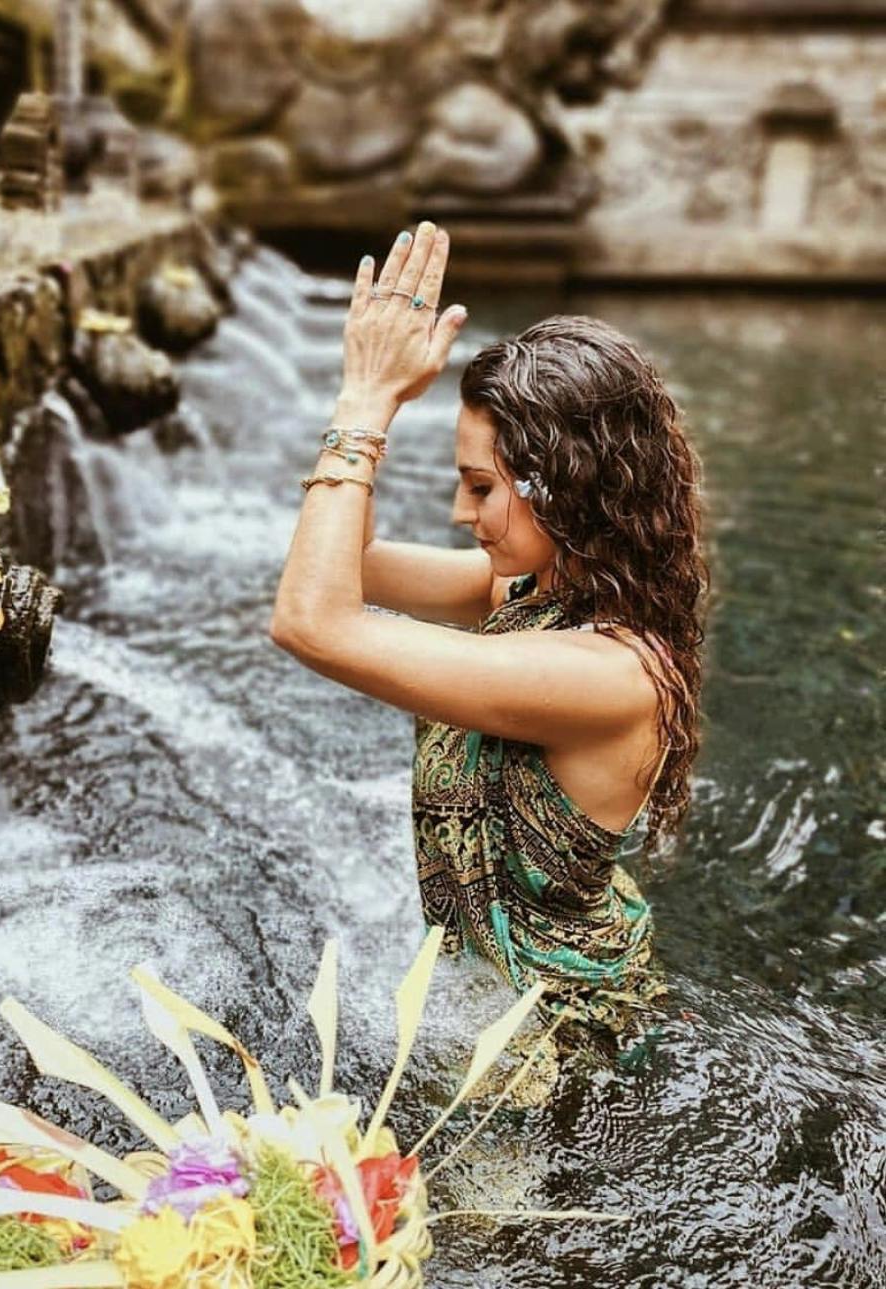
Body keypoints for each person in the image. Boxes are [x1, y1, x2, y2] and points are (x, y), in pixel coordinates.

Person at [270, 222, 706, 1038]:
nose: (458, 513)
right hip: (485, 1008)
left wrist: (360, 406)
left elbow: (311, 621)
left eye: (480, 487)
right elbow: (337, 564)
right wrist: (384, 401)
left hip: (558, 1048)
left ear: (563, 487)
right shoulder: (529, 586)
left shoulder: (607, 674)